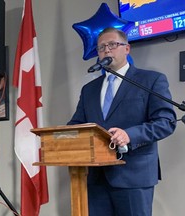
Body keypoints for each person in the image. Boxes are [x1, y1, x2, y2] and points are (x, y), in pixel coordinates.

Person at [67, 27, 176, 216]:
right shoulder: (89, 90)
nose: (106, 50)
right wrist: (61, 136)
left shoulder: (150, 80)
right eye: (101, 48)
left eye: (112, 45)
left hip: (134, 176)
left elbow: (166, 121)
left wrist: (129, 135)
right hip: (96, 179)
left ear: (127, 48)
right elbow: (76, 124)